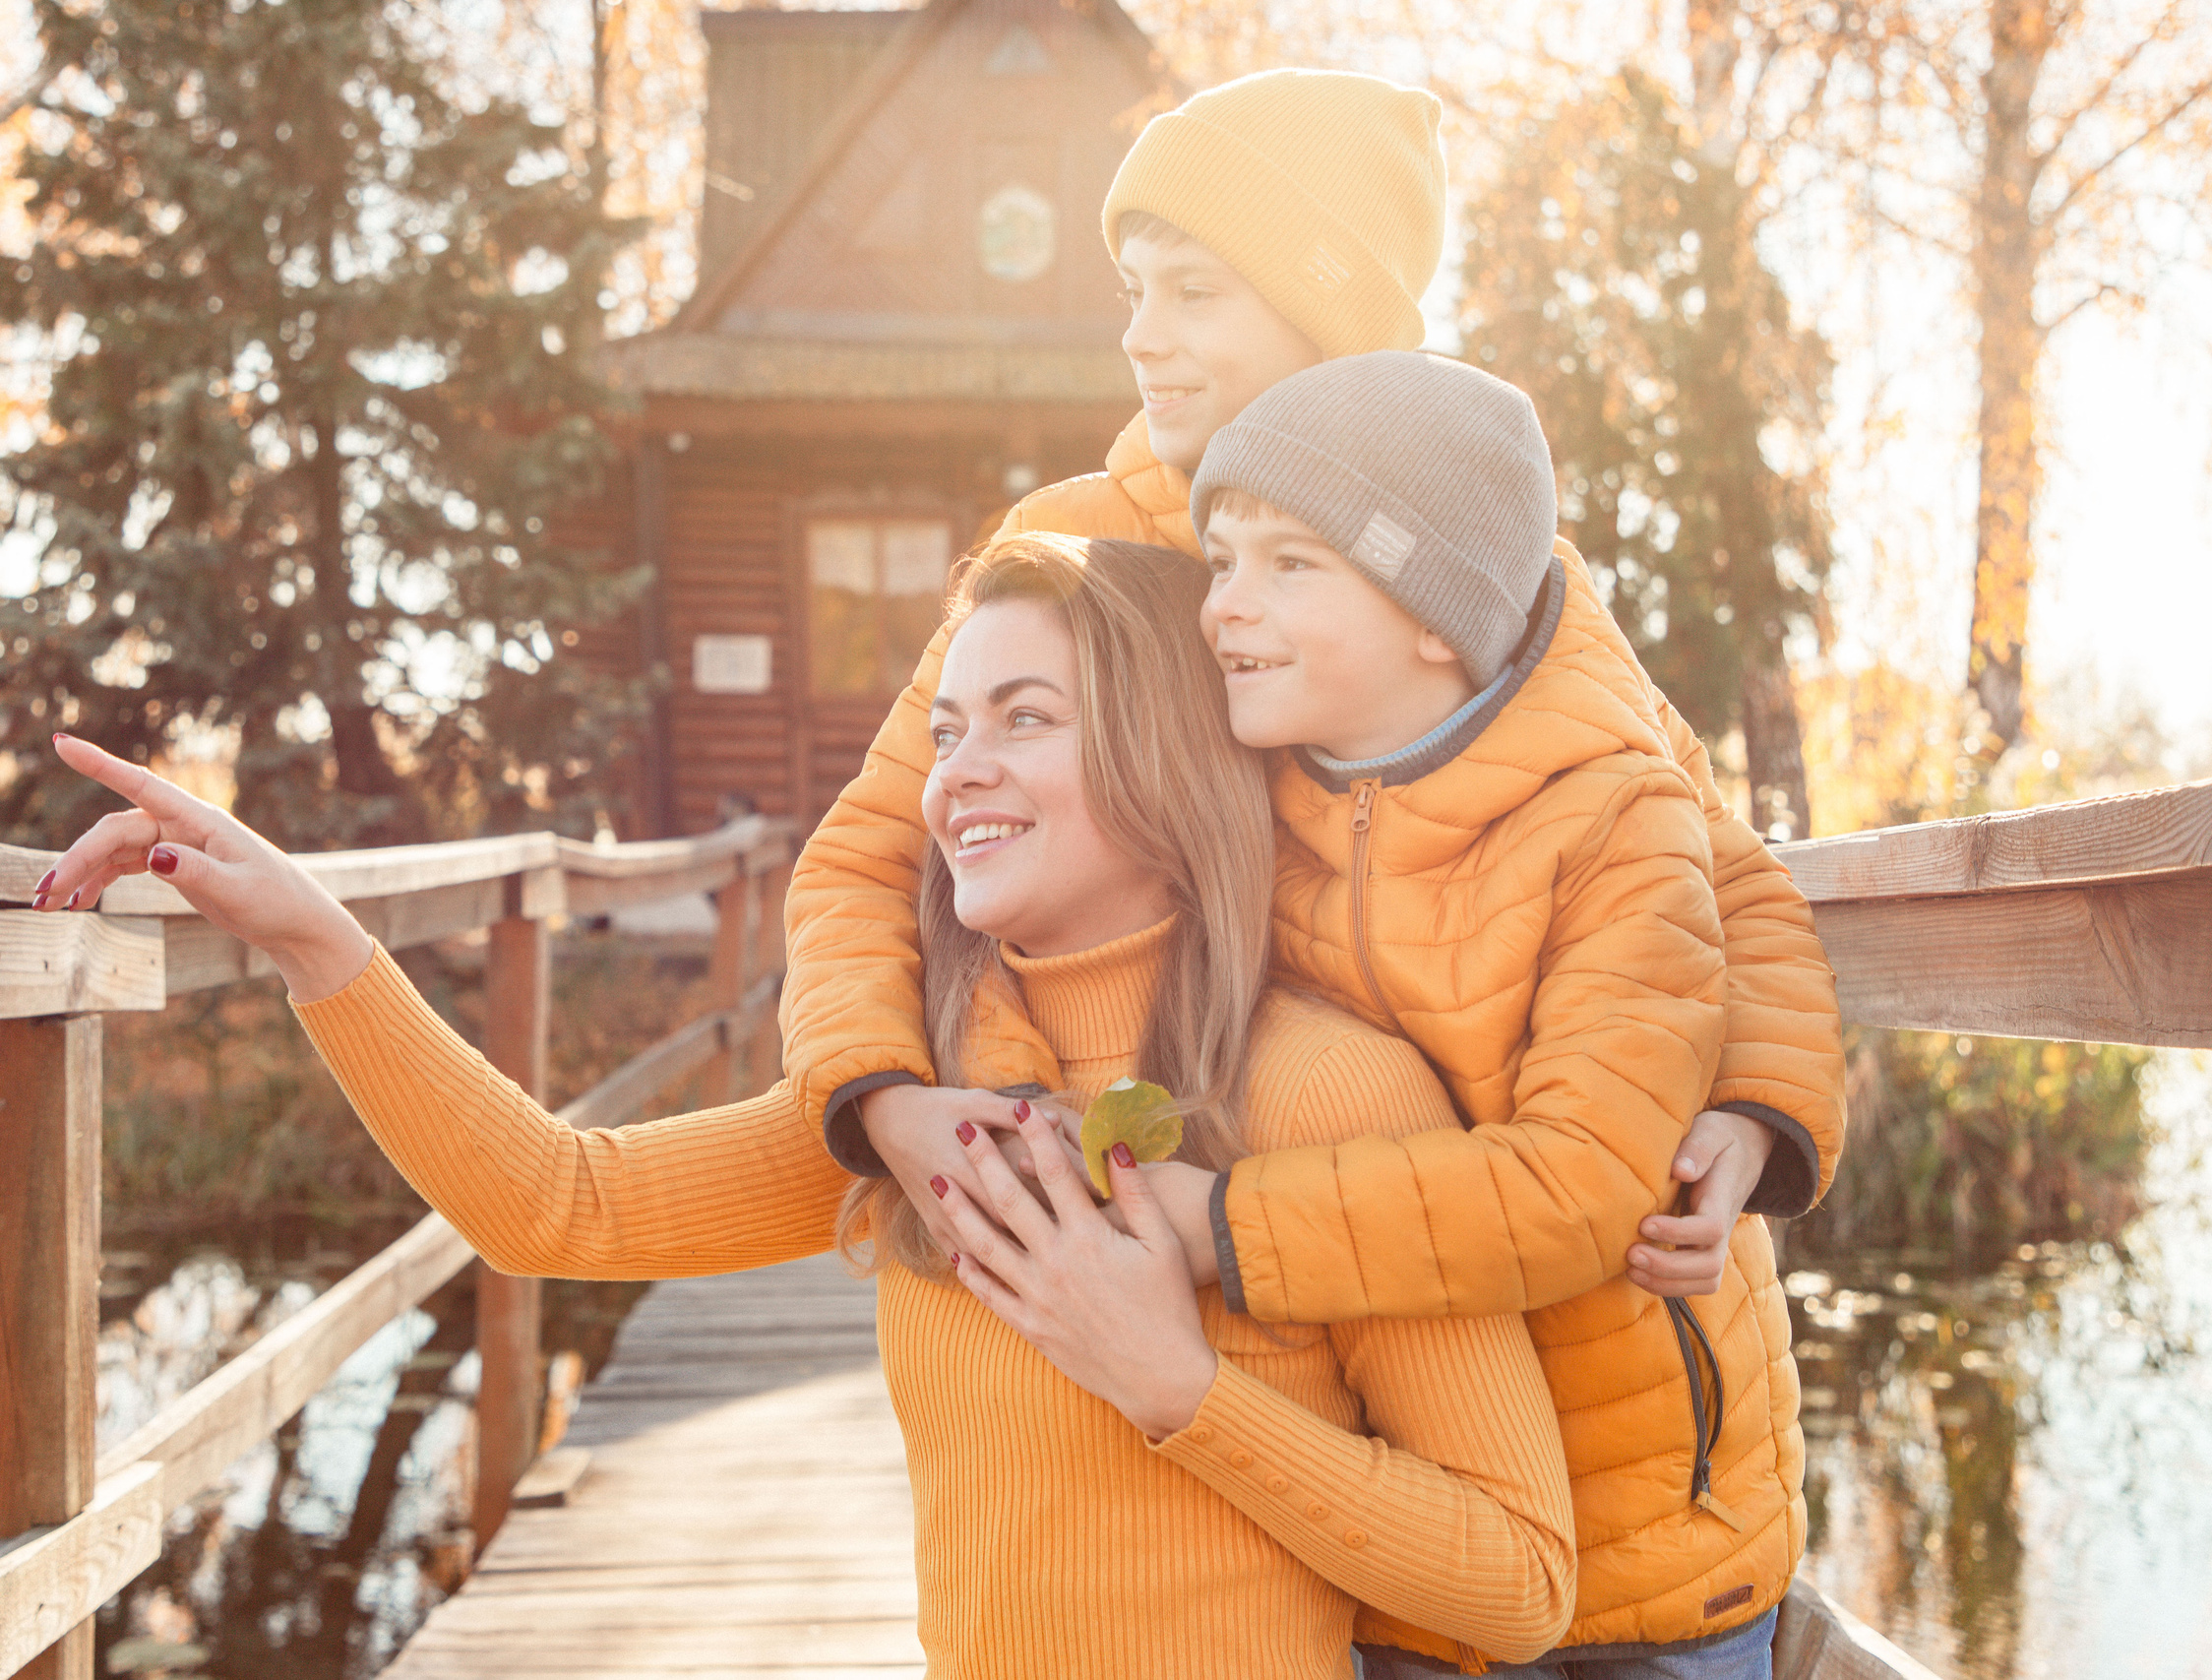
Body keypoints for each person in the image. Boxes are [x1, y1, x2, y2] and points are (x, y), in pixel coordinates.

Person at [31, 535, 1577, 1680]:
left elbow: (1519, 1581)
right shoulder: (928, 1095)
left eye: (1024, 718)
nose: (958, 771)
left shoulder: (1331, 1089)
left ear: (1169, 754)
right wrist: (321, 942)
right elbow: (557, 1205)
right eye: (949, 727)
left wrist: (1182, 1390)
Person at [778, 70, 1843, 1676]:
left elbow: (1731, 881)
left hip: (1627, 1419)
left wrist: (1754, 1118)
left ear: (1329, 308)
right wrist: (881, 1095)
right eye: (1132, 291)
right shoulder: (1074, 553)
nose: (1140, 336)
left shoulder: (1496, 581)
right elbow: (873, 860)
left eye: (1193, 289)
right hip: (1348, 1419)